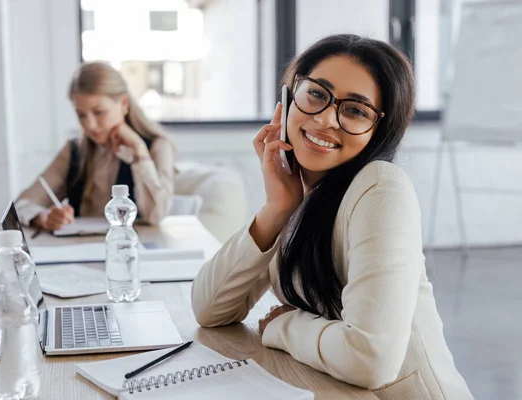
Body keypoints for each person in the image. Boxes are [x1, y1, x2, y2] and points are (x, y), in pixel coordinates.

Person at [191, 34, 473, 399]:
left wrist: (284, 326)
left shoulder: (380, 187)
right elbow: (209, 309)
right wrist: (276, 209)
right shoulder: (302, 197)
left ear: (379, 129)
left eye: (355, 110)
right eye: (316, 94)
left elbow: (369, 359)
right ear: (289, 97)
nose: (325, 119)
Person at [16, 62, 175, 230]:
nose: (90, 125)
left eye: (99, 112)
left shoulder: (157, 146)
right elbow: (22, 204)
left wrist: (139, 154)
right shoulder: (74, 150)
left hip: (133, 248)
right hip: (81, 249)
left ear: (124, 103)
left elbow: (157, 215)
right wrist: (44, 217)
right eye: (81, 115)